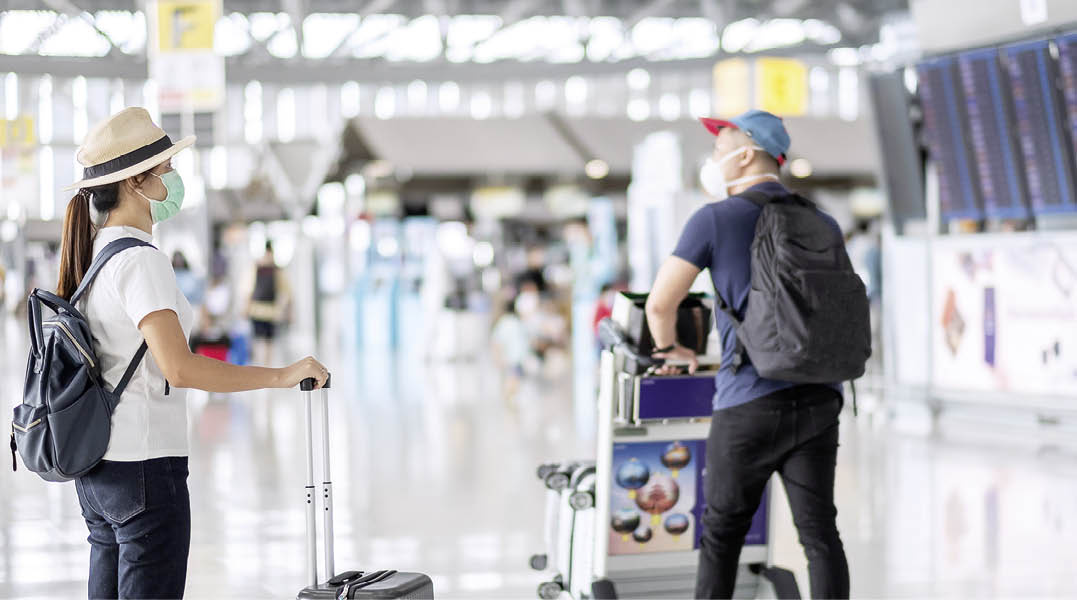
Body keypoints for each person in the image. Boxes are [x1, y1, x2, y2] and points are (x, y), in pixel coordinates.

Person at [55, 107, 328, 600]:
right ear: (136, 182)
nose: (173, 181)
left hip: (99, 467)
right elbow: (178, 367)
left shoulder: (96, 259)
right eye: (166, 170)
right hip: (144, 467)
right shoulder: (139, 260)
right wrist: (281, 375)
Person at [643, 110, 850, 599]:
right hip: (820, 399)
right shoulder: (823, 221)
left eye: (720, 148)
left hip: (749, 400)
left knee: (722, 535)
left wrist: (672, 347)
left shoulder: (714, 218)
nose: (714, 157)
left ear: (745, 153)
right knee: (820, 535)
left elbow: (659, 303)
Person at [244, 241, 291, 365]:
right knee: (261, 341)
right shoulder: (261, 269)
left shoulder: (271, 270)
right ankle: (262, 365)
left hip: (269, 312)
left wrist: (285, 310)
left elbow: (286, 292)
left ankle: (265, 365)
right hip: (259, 311)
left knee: (267, 341)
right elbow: (249, 290)